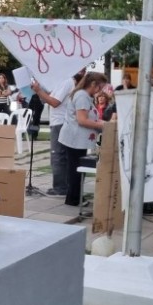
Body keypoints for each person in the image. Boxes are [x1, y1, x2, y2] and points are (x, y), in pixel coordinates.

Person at [58, 72, 108, 208]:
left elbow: (88, 116)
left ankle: (74, 196)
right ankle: (74, 198)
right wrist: (102, 125)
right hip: (75, 139)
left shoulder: (83, 95)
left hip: (77, 138)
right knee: (76, 169)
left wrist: (99, 122)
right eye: (100, 87)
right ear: (93, 84)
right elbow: (82, 120)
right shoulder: (82, 96)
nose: (100, 91)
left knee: (75, 168)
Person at [31, 68, 82, 196]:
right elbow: (50, 97)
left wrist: (39, 91)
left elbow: (54, 102)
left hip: (60, 122)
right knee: (60, 156)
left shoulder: (65, 81)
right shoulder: (62, 81)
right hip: (58, 121)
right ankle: (62, 186)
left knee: (58, 155)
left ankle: (60, 188)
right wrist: (40, 91)